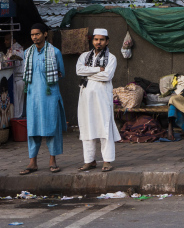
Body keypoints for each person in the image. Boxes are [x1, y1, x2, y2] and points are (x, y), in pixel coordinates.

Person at [19, 23, 66, 175]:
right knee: (33, 129)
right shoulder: (27, 53)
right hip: (33, 96)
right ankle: (32, 162)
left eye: (37, 34)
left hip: (50, 95)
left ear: (45, 34)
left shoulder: (55, 52)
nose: (34, 37)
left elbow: (61, 73)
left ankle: (53, 161)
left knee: (52, 127)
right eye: (32, 35)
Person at [75, 28, 120, 172]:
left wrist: (89, 72)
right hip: (85, 97)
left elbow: (107, 76)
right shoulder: (84, 56)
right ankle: (89, 160)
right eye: (96, 39)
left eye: (101, 39)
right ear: (92, 41)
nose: (98, 42)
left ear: (107, 41)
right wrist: (98, 69)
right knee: (86, 126)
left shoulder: (111, 58)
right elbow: (79, 71)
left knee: (104, 127)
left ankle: (107, 161)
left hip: (102, 97)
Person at [3, 32, 24, 117]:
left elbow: (10, 63)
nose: (5, 42)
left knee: (17, 103)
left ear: (13, 40)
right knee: (18, 102)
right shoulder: (14, 49)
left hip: (18, 78)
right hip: (16, 78)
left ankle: (17, 122)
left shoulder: (16, 50)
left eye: (7, 39)